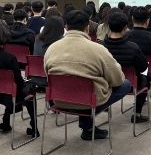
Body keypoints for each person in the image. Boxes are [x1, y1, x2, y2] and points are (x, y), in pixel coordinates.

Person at [44, 10, 131, 141]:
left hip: (59, 100)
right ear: (87, 27)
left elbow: (48, 76)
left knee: (81, 85)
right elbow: (117, 80)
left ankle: (88, 128)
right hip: (88, 102)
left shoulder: (52, 48)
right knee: (125, 84)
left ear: (66, 26)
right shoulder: (98, 49)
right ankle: (88, 122)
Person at [103, 12, 151, 123]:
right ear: (125, 27)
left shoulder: (101, 46)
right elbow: (143, 68)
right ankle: (137, 114)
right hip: (130, 85)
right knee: (144, 79)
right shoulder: (133, 47)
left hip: (107, 84)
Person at [0, 23, 37, 135]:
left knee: (12, 88)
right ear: (4, 36)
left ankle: (6, 121)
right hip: (7, 95)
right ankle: (34, 128)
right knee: (30, 89)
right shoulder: (9, 58)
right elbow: (18, 82)